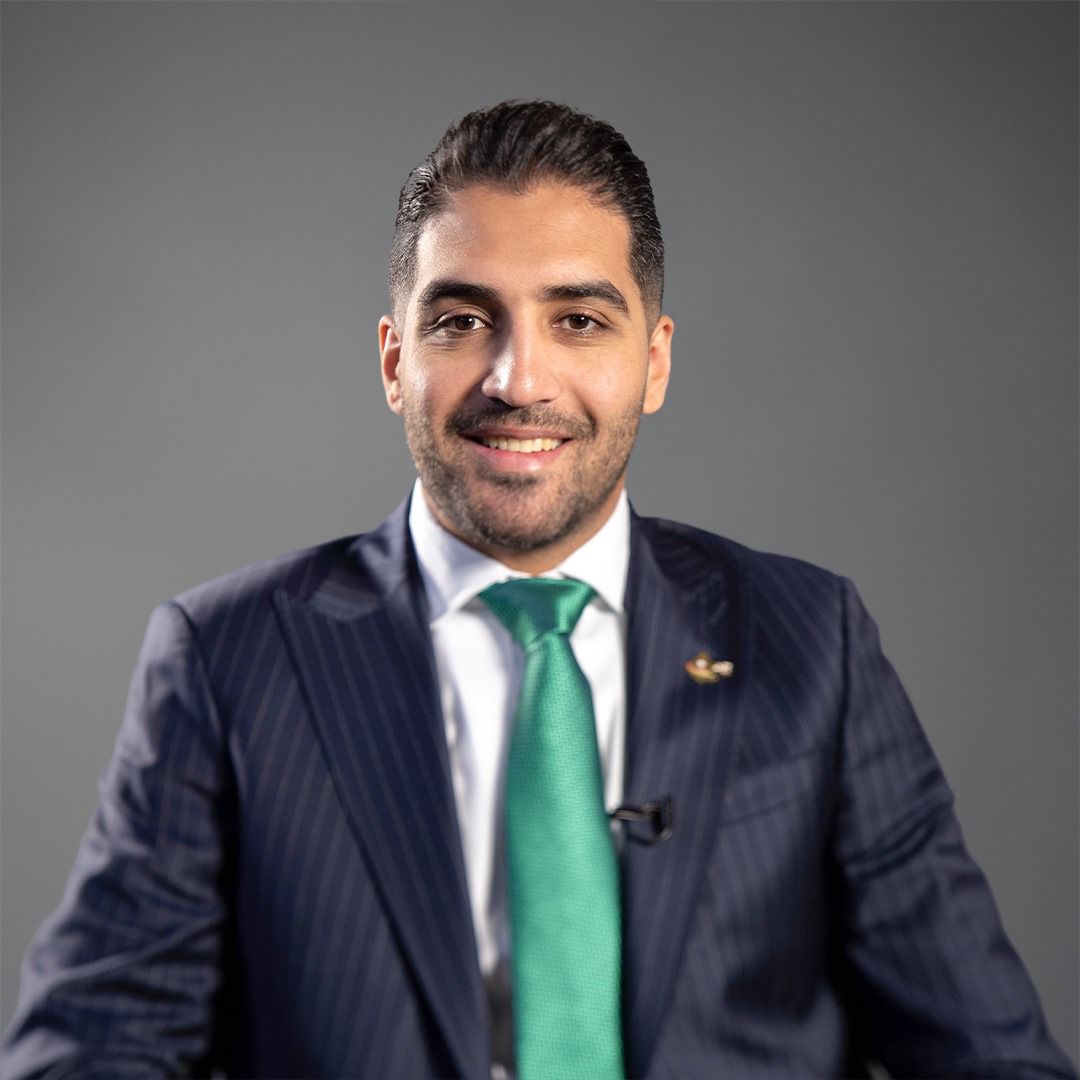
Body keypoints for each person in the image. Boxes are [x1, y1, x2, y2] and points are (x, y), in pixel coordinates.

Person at [2, 100, 1074, 1080]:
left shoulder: (811, 643)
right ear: (394, 361)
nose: (518, 381)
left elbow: (988, 1057)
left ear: (655, 361)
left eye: (579, 320)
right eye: (462, 320)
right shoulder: (227, 659)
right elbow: (92, 1052)